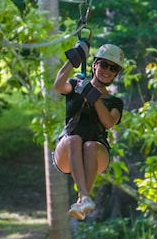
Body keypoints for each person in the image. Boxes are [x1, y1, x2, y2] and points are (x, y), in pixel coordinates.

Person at [53, 41, 126, 220]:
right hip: (67, 152)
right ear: (94, 65)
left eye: (113, 68)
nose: (107, 70)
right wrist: (75, 58)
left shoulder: (115, 102)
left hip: (96, 153)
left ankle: (83, 198)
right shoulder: (75, 86)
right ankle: (84, 197)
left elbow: (109, 122)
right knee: (74, 140)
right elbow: (58, 85)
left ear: (116, 73)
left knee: (90, 146)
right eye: (104, 64)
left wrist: (92, 94)